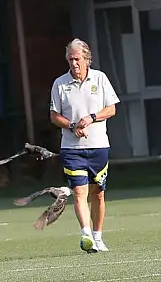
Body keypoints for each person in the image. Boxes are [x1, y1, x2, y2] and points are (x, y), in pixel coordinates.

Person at [49, 38, 120, 253]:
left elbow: (111, 109)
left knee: (98, 193)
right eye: (70, 59)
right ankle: (86, 235)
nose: (74, 63)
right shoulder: (59, 84)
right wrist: (72, 126)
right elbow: (54, 116)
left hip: (98, 146)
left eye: (77, 59)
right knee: (79, 192)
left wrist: (91, 118)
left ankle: (98, 236)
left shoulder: (100, 78)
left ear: (87, 59)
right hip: (72, 149)